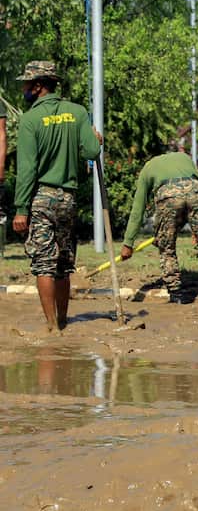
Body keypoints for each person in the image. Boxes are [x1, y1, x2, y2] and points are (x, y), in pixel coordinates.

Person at [11, 61, 99, 333]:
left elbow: (27, 170)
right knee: (64, 263)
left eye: (26, 84)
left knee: (43, 264)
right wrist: (96, 139)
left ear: (38, 86)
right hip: (68, 199)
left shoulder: (30, 120)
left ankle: (51, 328)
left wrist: (21, 208)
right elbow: (92, 152)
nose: (24, 88)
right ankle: (62, 320)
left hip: (40, 198)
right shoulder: (77, 112)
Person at [120, 151, 198, 303]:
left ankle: (177, 294)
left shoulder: (147, 169)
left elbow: (138, 210)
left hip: (168, 196)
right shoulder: (184, 157)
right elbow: (189, 196)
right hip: (196, 191)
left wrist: (128, 243)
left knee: (167, 248)